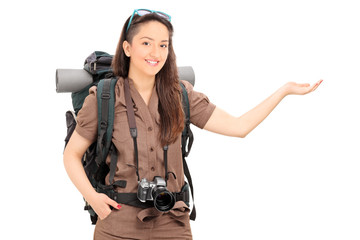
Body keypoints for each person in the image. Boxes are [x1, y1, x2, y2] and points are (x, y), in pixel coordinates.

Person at [63, 9, 322, 240]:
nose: (156, 53)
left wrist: (284, 91)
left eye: (163, 45)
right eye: (146, 43)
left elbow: (240, 127)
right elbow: (71, 155)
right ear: (128, 48)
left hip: (173, 224)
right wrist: (93, 198)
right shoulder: (105, 96)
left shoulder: (181, 95)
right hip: (117, 225)